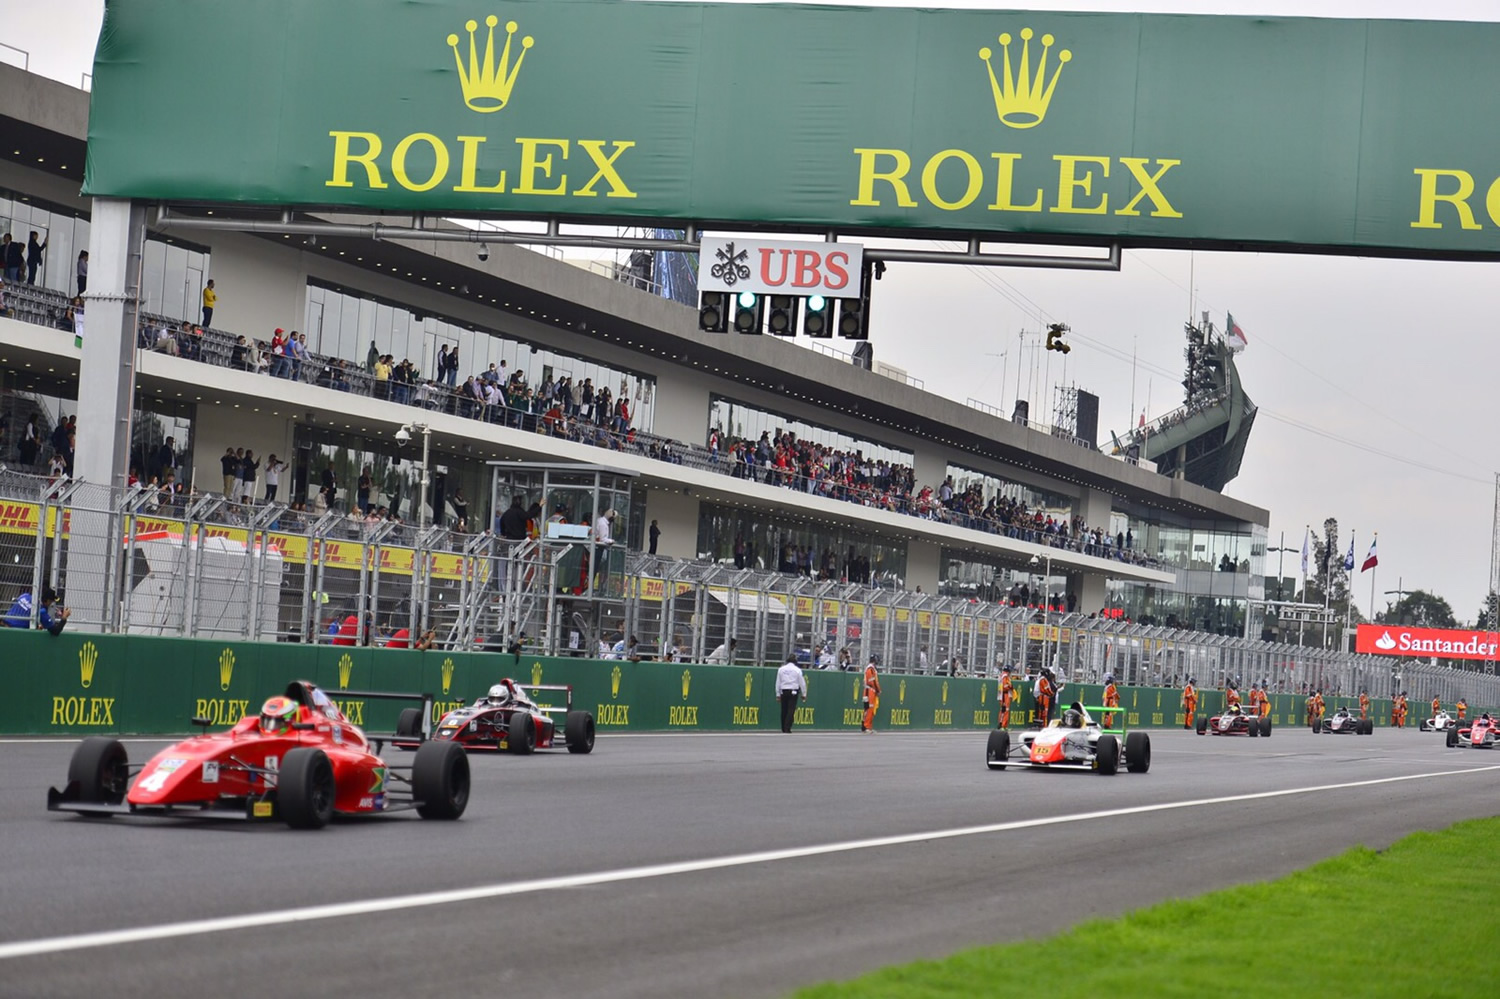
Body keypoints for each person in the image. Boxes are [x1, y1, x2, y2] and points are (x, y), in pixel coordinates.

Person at [2, 585, 70, 634]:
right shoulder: (41, 611)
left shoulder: (24, 596)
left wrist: (36, 625)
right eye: (51, 601)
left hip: (2, 625)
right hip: (13, 633)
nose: (51, 604)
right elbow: (55, 631)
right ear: (48, 600)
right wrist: (64, 617)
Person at [775, 654, 807, 733]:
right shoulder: (797, 670)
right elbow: (802, 683)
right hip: (793, 691)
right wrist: (804, 694)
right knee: (791, 710)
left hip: (783, 690)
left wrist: (777, 694)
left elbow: (778, 682)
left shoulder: (781, 669)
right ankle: (787, 727)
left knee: (784, 710)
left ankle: (783, 727)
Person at [861, 654, 882, 733]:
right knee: (868, 709)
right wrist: (878, 690)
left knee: (871, 709)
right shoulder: (870, 669)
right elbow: (872, 681)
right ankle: (866, 726)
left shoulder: (872, 669)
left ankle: (868, 726)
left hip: (871, 691)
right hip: (869, 691)